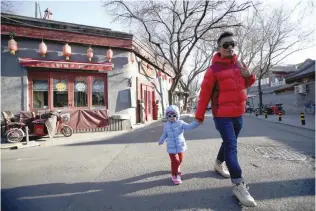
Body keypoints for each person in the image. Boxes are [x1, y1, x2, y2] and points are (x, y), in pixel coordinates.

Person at [195, 31, 257, 207]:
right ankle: (239, 184)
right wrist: (199, 116)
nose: (230, 48)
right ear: (219, 48)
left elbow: (246, 83)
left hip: (239, 113)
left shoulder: (239, 63)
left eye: (232, 44)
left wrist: (250, 76)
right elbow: (205, 93)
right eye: (226, 45)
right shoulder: (213, 69)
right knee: (232, 146)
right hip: (222, 115)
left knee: (229, 142)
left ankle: (217, 164)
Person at [158, 105, 200, 185]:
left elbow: (189, 126)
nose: (171, 117)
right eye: (169, 116)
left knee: (180, 159)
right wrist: (161, 140)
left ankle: (177, 169)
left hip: (180, 145)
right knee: (175, 161)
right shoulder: (166, 125)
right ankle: (175, 175)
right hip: (171, 146)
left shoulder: (181, 123)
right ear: (167, 117)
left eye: (174, 115)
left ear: (177, 115)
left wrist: (196, 122)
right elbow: (165, 134)